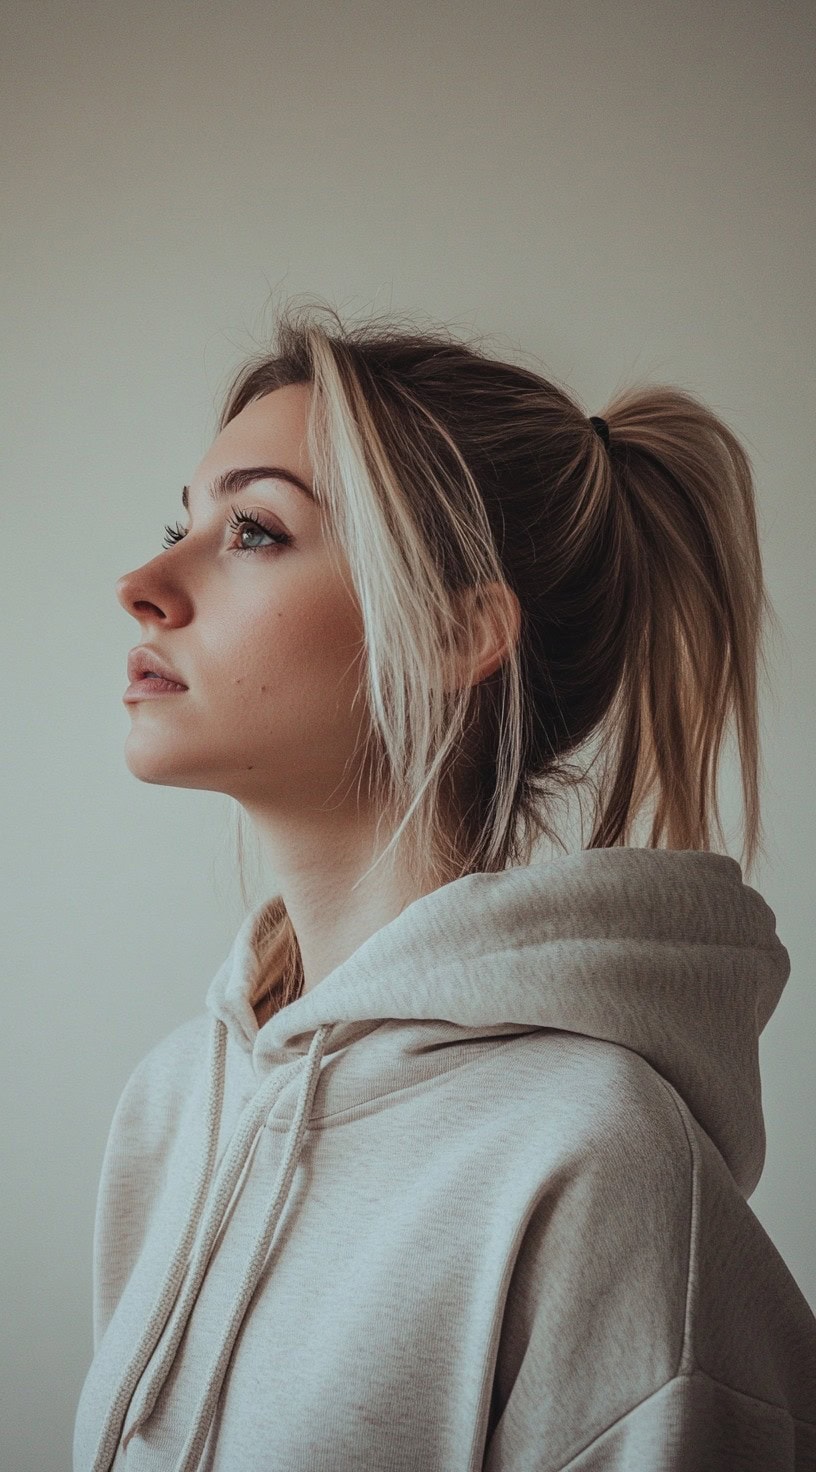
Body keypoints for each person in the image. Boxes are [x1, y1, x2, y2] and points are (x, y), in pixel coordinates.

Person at [73, 301, 816, 1472]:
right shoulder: (173, 1103)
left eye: (255, 528)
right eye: (183, 519)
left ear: (455, 631)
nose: (145, 582)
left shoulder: (597, 1163)